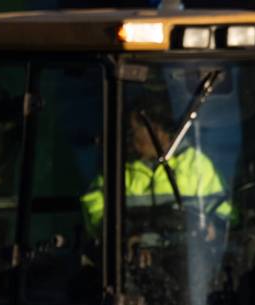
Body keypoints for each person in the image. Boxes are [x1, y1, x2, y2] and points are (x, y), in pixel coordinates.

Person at [80, 90, 233, 255]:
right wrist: (123, 233)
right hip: (129, 263)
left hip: (187, 261)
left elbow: (224, 211)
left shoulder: (196, 165)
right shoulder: (120, 169)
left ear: (157, 130)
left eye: (134, 131)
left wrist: (213, 226)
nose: (130, 138)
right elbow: (93, 204)